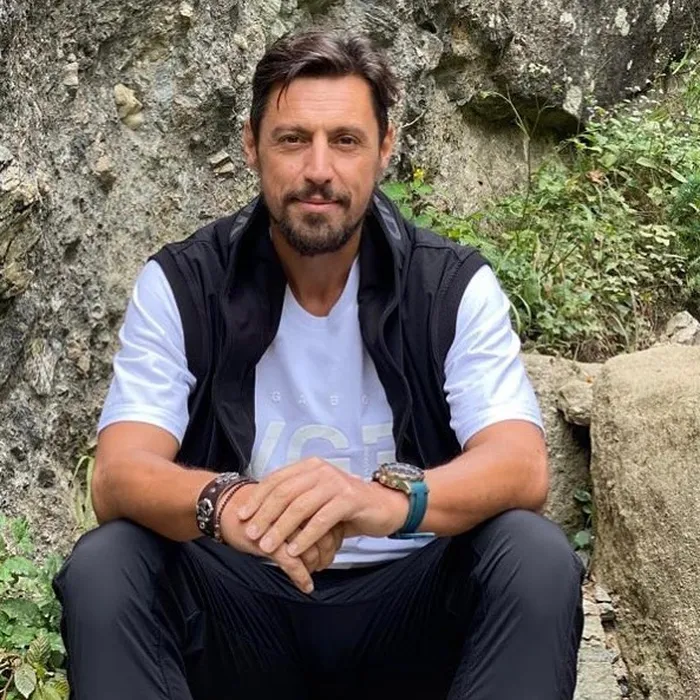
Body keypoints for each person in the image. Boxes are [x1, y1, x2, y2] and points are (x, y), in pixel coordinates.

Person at [53, 29, 584, 700]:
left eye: (346, 140)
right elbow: (118, 476)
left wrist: (383, 503)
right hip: (241, 611)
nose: (319, 169)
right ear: (251, 146)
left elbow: (520, 465)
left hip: (410, 613)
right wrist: (229, 504)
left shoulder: (449, 287)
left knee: (535, 557)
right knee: (107, 564)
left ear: (385, 149)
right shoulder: (184, 285)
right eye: (292, 139)